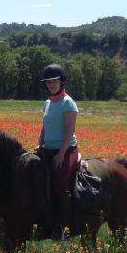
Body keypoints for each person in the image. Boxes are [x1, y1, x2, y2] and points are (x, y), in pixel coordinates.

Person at [36, 63, 79, 239]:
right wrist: (39, 143)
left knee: (61, 184)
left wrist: (61, 154)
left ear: (61, 82)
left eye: (54, 81)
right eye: (48, 82)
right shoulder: (47, 103)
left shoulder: (68, 103)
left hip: (67, 149)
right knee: (35, 180)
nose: (51, 84)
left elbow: (69, 131)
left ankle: (63, 226)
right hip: (48, 149)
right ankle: (42, 222)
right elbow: (45, 126)